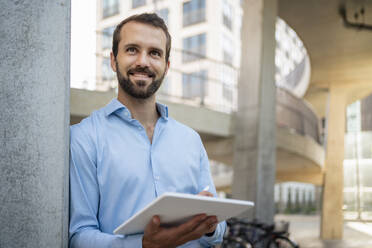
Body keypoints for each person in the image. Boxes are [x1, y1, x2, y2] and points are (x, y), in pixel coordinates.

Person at [69, 13, 226, 247]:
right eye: (132, 49)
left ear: (167, 66)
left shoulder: (190, 140)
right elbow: (79, 236)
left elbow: (219, 232)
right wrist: (143, 245)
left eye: (155, 53)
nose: (143, 61)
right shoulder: (83, 137)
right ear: (113, 60)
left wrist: (209, 224)